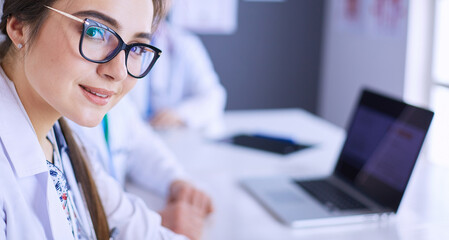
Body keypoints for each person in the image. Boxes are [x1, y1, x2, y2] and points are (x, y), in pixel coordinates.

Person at [0, 0, 190, 239]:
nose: (119, 72)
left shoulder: (65, 142)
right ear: (19, 27)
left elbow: (138, 228)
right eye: (95, 32)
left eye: (138, 48)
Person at [67, 94, 213, 240]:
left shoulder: (118, 101)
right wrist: (154, 222)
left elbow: (141, 144)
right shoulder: (63, 119)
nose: (120, 73)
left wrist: (176, 181)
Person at [129, 14, 227, 131]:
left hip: (165, 133)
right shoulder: (122, 38)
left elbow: (213, 97)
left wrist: (179, 114)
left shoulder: (184, 43)